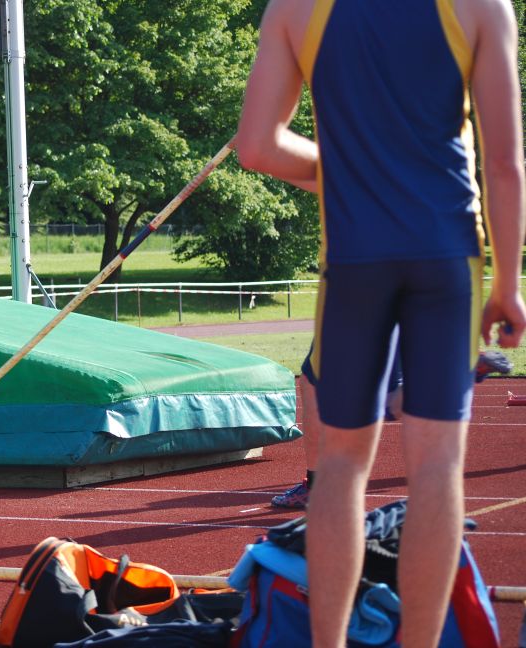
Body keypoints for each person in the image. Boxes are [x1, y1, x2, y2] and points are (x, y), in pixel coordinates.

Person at [235, 1, 526, 646]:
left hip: (354, 260)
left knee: (340, 466)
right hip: (447, 256)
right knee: (437, 465)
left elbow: (255, 147)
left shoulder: (294, 8)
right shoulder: (483, 6)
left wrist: (354, 173)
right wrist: (508, 285)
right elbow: (505, 163)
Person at [272, 344, 511, 509]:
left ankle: (317, 487)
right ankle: (457, 368)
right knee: (321, 382)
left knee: (318, 385)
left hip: (359, 290)